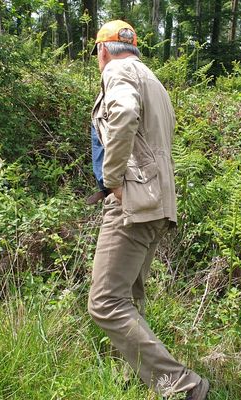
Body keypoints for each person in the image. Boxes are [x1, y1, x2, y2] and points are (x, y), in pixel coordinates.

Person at [86, 20, 209, 400]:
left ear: (102, 51)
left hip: (132, 202)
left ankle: (185, 388)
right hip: (156, 202)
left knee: (106, 302)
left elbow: (122, 116)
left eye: (97, 55)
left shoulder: (118, 71)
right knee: (129, 297)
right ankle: (141, 379)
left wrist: (113, 180)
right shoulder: (152, 79)